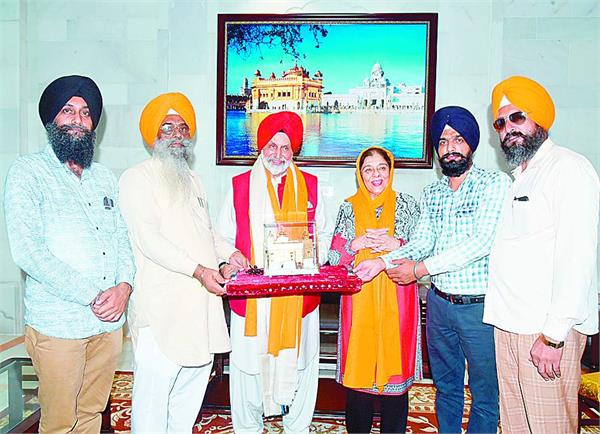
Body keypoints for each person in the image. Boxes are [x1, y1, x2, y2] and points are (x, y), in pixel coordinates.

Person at [355, 106, 511, 433]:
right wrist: (382, 262)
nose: (450, 147)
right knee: (447, 386)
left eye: (457, 139)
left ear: (471, 143)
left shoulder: (494, 183)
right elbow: (422, 240)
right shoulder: (432, 192)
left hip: (479, 308)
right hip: (439, 306)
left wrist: (419, 269)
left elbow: (481, 242)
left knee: (485, 392)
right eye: (442, 142)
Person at [3, 75, 135, 433]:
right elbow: (29, 252)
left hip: (107, 325)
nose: (78, 119)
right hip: (58, 327)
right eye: (68, 111)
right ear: (52, 121)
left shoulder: (105, 177)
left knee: (92, 413)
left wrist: (124, 287)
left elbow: (123, 239)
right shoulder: (27, 173)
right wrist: (93, 295)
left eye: (86, 113)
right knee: (60, 423)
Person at [118, 92, 247, 433]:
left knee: (187, 403)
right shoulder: (137, 178)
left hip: (201, 311)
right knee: (151, 409)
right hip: (162, 312)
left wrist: (229, 253)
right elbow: (149, 240)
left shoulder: (193, 180)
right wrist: (200, 270)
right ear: (153, 135)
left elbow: (206, 234)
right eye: (167, 127)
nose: (177, 134)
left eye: (182, 127)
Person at [483, 76, 600, 433]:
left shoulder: (568, 168)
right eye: (500, 123)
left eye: (517, 118)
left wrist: (553, 336)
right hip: (510, 326)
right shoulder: (521, 175)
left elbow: (576, 256)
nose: (507, 130)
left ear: (539, 118)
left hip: (544, 332)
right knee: (516, 425)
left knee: (549, 426)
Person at [218, 111, 332, 434]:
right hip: (254, 301)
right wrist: (231, 256)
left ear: (293, 151)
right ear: (261, 148)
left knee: (300, 367)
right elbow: (222, 237)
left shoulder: (310, 185)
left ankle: (297, 427)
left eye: (285, 148)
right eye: (272, 146)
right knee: (248, 372)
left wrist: (311, 254)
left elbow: (321, 233)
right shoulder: (239, 186)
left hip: (299, 303)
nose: (278, 154)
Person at [328, 146, 421, 433]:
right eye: (368, 169)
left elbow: (425, 252)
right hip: (359, 303)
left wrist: (398, 246)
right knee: (359, 382)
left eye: (382, 167)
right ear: (360, 174)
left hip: (399, 299)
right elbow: (333, 259)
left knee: (395, 384)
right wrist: (354, 245)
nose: (375, 174)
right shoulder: (348, 207)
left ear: (390, 171)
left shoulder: (408, 205)